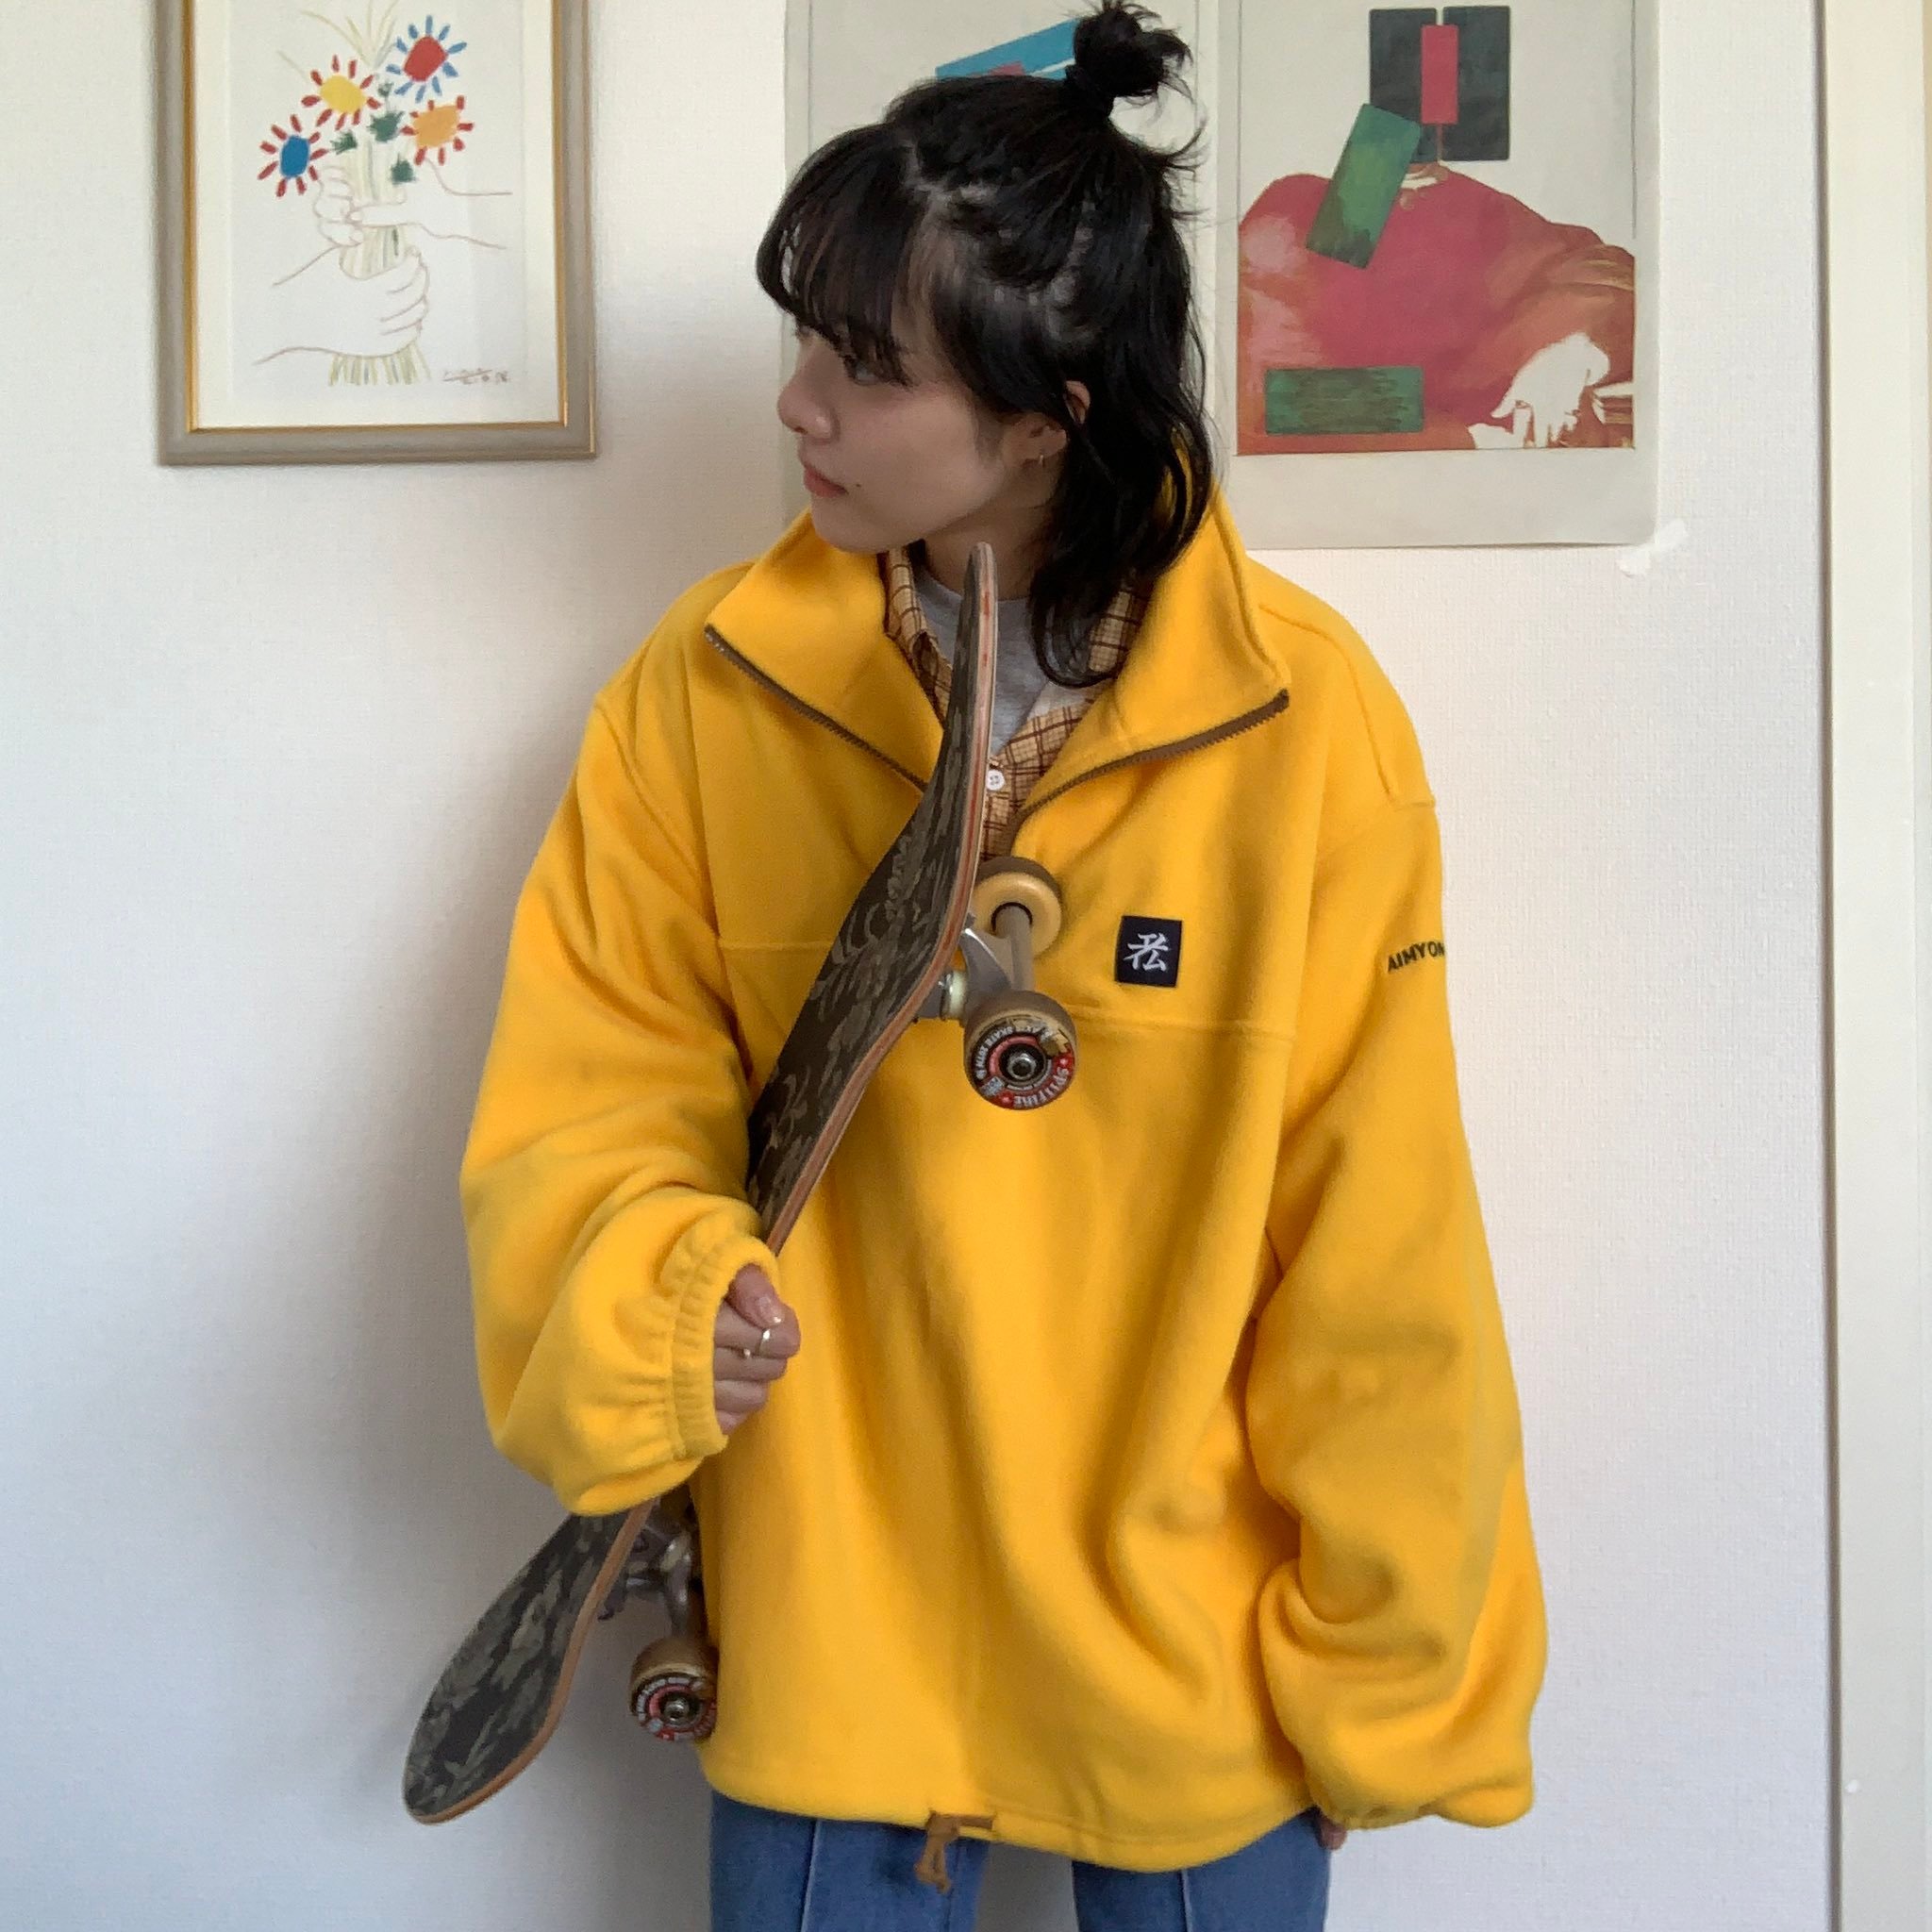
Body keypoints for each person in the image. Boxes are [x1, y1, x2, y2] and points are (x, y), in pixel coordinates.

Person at [457, 7, 1547, 1928]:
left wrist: (1381, 1672)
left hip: (1191, 1657)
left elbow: (1376, 1232)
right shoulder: (702, 696)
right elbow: (591, 1092)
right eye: (804, 340)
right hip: (832, 1631)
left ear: (1052, 414)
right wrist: (664, 1295)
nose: (798, 406)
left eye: (864, 368)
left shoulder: (1302, 720)